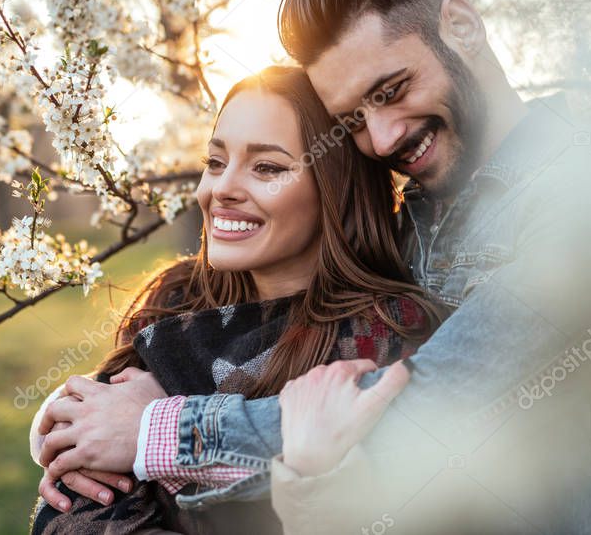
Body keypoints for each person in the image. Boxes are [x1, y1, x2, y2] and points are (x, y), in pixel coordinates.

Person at [36, 0, 591, 533]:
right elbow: (304, 359)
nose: (381, 136)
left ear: (461, 26)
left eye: (389, 90)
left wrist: (157, 431)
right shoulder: (417, 212)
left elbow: (415, 413)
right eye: (352, 117)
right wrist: (98, 412)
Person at [28, 65, 445, 533]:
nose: (222, 188)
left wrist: (152, 433)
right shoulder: (178, 299)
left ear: (337, 187)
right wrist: (67, 429)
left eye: (267, 167)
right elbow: (78, 494)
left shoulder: (381, 337)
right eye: (215, 161)